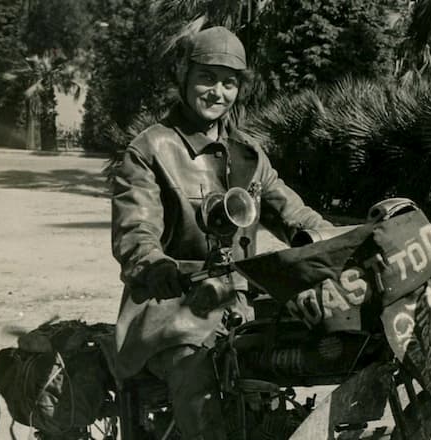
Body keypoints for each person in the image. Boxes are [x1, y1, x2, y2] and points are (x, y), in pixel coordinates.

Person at [111, 26, 332, 439]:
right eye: (206, 78)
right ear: (185, 78)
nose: (218, 92)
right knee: (199, 375)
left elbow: (293, 212)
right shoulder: (150, 150)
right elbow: (135, 231)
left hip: (240, 309)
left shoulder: (248, 155)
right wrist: (155, 264)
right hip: (170, 312)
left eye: (229, 82)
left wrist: (329, 239)